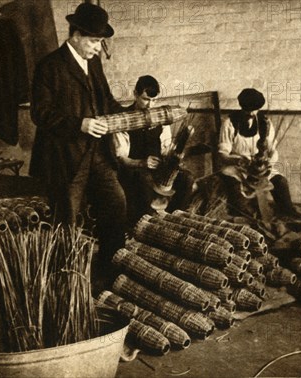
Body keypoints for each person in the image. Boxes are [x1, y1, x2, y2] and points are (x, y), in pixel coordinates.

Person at [29, 3, 126, 287]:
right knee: (68, 220)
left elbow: (106, 100)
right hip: (65, 158)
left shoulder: (93, 63)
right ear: (76, 35)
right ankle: (68, 284)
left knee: (116, 202)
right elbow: (41, 113)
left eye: (100, 41)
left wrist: (130, 117)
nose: (98, 48)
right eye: (95, 41)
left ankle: (110, 277)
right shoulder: (49, 66)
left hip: (97, 153)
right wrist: (79, 124)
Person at [113, 75, 194, 225]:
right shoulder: (123, 119)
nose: (150, 105)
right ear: (135, 94)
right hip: (133, 170)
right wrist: (141, 163)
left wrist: (173, 159)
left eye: (154, 100)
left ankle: (173, 220)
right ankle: (147, 225)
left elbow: (165, 149)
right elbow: (121, 158)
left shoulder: (160, 117)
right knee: (143, 180)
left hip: (157, 169)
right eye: (145, 99)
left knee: (186, 178)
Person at [218, 88, 299, 219]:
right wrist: (238, 160)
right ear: (241, 106)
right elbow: (222, 155)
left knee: (281, 181)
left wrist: (268, 161)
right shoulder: (229, 123)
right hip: (238, 167)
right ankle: (246, 214)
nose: (250, 113)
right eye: (247, 109)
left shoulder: (265, 123)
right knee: (242, 206)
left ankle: (288, 213)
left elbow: (272, 150)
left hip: (259, 166)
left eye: (254, 109)